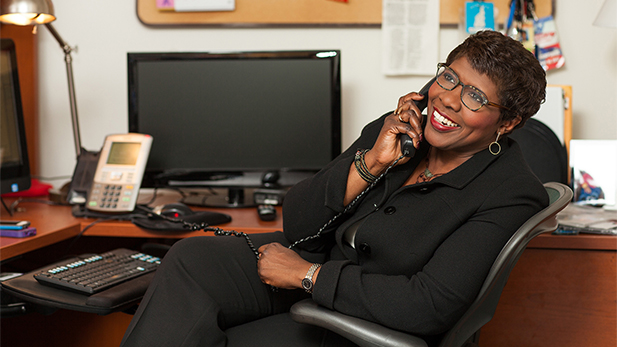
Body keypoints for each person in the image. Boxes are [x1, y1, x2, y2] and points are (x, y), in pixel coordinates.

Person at [120, 30, 548, 347]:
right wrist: (374, 162)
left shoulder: (509, 192)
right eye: (449, 79)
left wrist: (307, 276)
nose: (449, 100)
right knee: (191, 259)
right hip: (321, 275)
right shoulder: (399, 130)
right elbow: (298, 223)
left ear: (507, 123)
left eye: (475, 97)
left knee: (234, 339)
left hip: (373, 321)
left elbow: (429, 305)